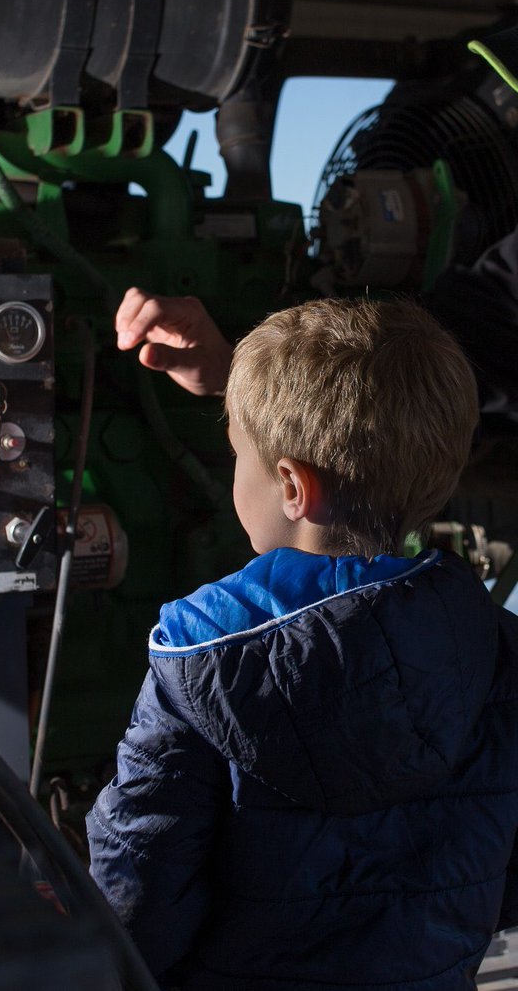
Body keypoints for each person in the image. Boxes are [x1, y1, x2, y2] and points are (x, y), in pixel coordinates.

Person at [87, 289, 518, 990]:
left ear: (291, 484)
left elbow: (133, 904)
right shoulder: (497, 651)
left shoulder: (198, 664)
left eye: (238, 454)